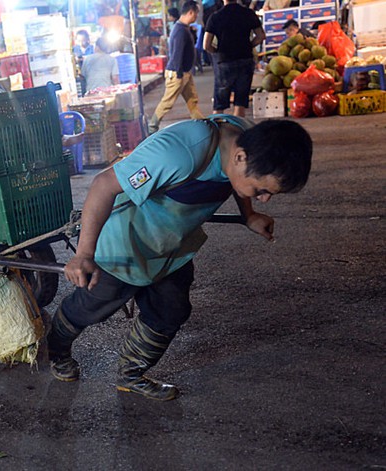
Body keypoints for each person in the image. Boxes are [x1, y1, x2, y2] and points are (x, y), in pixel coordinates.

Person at [46, 116, 313, 401]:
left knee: (170, 310)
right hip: (126, 240)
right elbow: (104, 184)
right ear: (240, 156)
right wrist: (84, 254)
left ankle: (130, 375)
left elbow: (236, 178)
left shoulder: (245, 138)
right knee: (92, 304)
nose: (264, 199)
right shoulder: (179, 151)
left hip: (171, 246)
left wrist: (249, 215)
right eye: (261, 191)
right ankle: (57, 350)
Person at [149, 1, 205, 134]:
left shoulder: (183, 28)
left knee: (192, 99)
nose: (196, 17)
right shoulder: (180, 30)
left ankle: (201, 122)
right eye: (196, 14)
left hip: (184, 72)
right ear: (190, 12)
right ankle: (152, 126)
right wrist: (179, 74)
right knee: (168, 101)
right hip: (177, 72)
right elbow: (177, 53)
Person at [203, 0, 266, 117]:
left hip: (224, 62)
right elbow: (261, 36)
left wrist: (217, 52)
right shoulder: (248, 14)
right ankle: (238, 131)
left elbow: (206, 45)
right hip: (245, 59)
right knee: (240, 102)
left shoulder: (215, 17)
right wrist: (248, 45)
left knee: (219, 104)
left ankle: (218, 131)